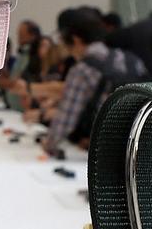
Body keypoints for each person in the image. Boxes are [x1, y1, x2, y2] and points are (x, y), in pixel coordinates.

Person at [42, 8, 146, 154]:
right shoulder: (131, 60)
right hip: (140, 144)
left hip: (106, 150)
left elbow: (66, 118)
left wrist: (49, 144)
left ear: (76, 40)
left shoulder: (82, 69)